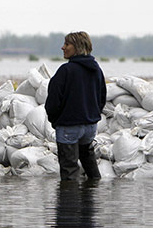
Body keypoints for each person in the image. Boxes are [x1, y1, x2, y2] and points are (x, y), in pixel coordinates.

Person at [45, 31, 107, 180]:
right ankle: (92, 197)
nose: (63, 47)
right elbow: (102, 97)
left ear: (77, 47)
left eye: (67, 44)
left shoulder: (65, 70)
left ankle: (69, 201)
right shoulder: (96, 70)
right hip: (90, 126)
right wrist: (92, 116)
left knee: (69, 170)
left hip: (69, 126)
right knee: (89, 161)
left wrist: (55, 120)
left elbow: (53, 101)